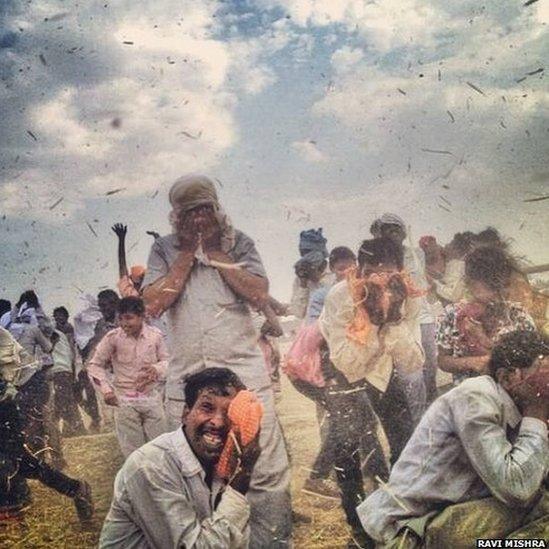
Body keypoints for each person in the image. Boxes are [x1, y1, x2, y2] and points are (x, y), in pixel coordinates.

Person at [141, 174, 292, 547]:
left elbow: (259, 292)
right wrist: (189, 255)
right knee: (193, 474)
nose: (199, 218)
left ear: (217, 209)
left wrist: (216, 254)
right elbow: (153, 303)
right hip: (187, 383)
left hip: (244, 381)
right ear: (176, 217)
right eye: (190, 212)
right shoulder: (163, 249)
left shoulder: (239, 243)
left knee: (264, 471)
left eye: (205, 209)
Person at [358, 329, 549, 547]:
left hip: (452, 519)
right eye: (543, 377)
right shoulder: (476, 396)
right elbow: (517, 489)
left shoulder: (519, 408)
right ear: (506, 377)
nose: (546, 387)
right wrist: (537, 411)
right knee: (542, 511)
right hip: (411, 531)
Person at [318, 237, 424, 545]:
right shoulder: (340, 296)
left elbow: (414, 360)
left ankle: (401, 515)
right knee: (348, 448)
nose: (376, 282)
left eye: (387, 274)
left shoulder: (409, 295)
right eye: (368, 273)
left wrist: (392, 320)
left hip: (384, 366)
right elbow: (348, 363)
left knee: (404, 438)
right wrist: (374, 321)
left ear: (401, 274)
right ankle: (359, 527)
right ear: (356, 273)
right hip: (341, 365)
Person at [99, 367, 260, 548]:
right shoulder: (150, 466)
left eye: (229, 412)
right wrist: (240, 483)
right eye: (207, 408)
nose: (218, 422)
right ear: (185, 413)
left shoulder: (225, 461)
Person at [0, 327, 93, 521]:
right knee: (22, 462)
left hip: (7, 404)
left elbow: (18, 372)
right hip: (10, 400)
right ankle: (75, 489)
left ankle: (75, 489)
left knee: (17, 461)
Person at [437, 246, 536, 385]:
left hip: (512, 396)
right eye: (489, 289)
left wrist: (482, 339)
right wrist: (472, 362)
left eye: (500, 289)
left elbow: (531, 361)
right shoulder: (451, 315)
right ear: (469, 283)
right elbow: (443, 361)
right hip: (470, 395)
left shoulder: (518, 316)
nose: (496, 297)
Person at [87, 297, 167, 458]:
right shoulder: (113, 338)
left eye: (129, 318)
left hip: (151, 397)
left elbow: (168, 360)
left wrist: (156, 369)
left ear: (142, 316)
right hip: (125, 400)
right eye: (121, 318)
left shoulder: (155, 336)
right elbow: (94, 365)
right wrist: (106, 390)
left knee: (160, 449)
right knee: (133, 453)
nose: (124, 323)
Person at [370, 213, 431, 421]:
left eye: (396, 230)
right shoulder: (375, 259)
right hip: (394, 325)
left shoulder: (416, 254)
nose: (393, 234)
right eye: (387, 230)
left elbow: (418, 286)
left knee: (425, 373)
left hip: (421, 319)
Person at [77, 289, 120, 433]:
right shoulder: (101, 324)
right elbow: (96, 343)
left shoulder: (125, 319)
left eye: (105, 306)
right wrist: (85, 366)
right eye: (101, 306)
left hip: (127, 368)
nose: (103, 310)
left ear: (115, 304)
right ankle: (110, 428)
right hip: (110, 370)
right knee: (107, 400)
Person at [50, 307, 86, 437]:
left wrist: (73, 371)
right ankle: (70, 428)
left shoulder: (67, 330)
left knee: (65, 400)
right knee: (64, 399)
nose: (58, 318)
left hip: (66, 369)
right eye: (56, 316)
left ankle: (76, 428)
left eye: (60, 316)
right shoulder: (60, 331)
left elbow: (71, 351)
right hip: (66, 369)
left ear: (66, 317)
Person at [288, 228, 333, 320]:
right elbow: (298, 313)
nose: (306, 257)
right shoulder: (299, 279)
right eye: (303, 253)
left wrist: (317, 280)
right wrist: (303, 285)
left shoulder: (333, 272)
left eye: (309, 252)